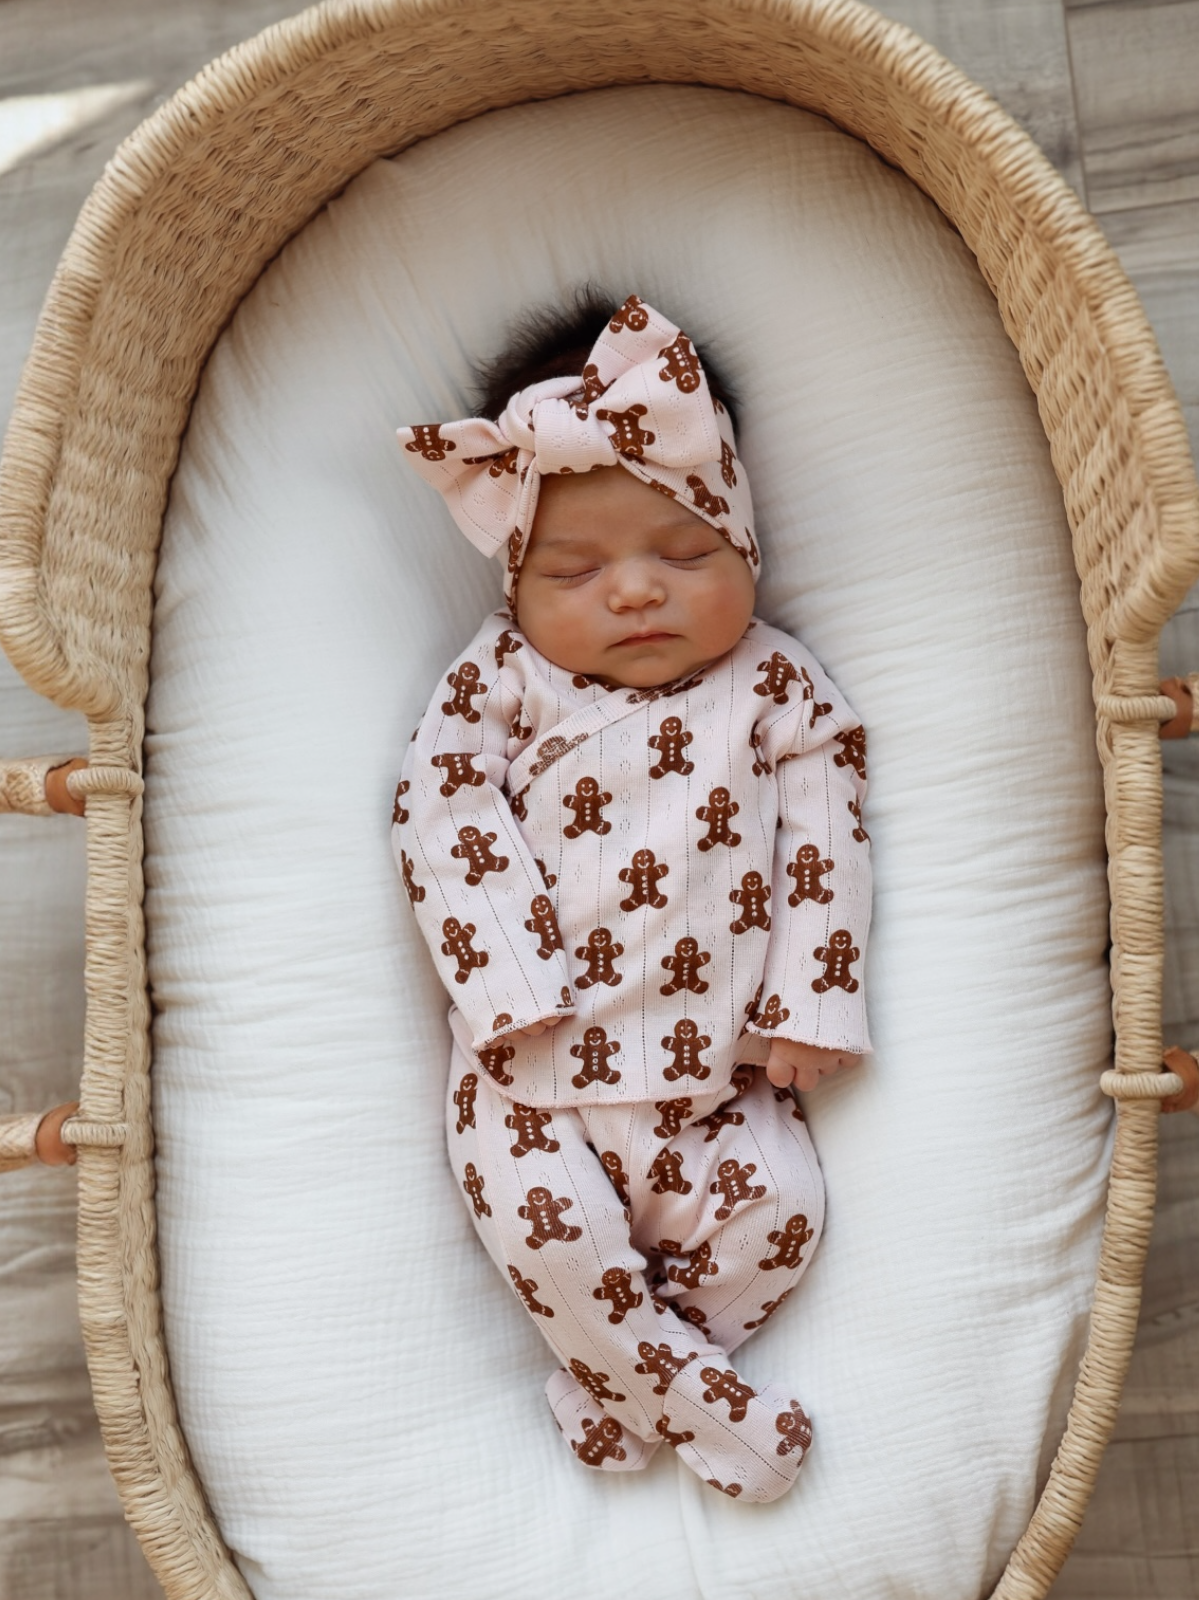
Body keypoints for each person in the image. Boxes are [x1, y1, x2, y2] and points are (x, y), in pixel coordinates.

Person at [392, 292, 871, 1501]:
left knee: (784, 1218)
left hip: (716, 1074)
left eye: (685, 554)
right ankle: (715, 1406)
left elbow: (828, 829)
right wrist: (505, 980)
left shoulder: (772, 684)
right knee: (549, 1236)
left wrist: (813, 994)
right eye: (576, 567)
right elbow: (441, 817)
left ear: (743, 543)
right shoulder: (498, 681)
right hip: (531, 1074)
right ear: (516, 576)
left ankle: (611, 1380)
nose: (635, 592)